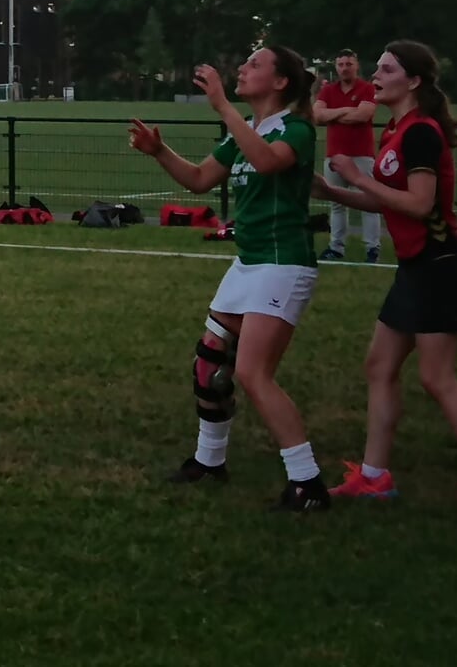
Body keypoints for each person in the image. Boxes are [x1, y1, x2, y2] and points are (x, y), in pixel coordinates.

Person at [314, 40, 457, 519]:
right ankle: (375, 476)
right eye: (376, 68)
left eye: (386, 69)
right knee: (379, 367)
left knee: (437, 378)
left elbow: (420, 205)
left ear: (414, 81)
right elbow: (388, 202)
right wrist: (331, 191)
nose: (375, 75)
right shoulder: (396, 129)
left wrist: (357, 179)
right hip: (415, 267)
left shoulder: (420, 133)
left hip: (439, 267)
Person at [129, 48, 329, 511]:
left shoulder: (295, 129)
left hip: (282, 264)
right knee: (208, 364)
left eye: (255, 64)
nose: (242, 68)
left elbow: (268, 163)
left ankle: (308, 483)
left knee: (253, 375)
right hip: (248, 263)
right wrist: (160, 151)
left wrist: (222, 106)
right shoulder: (248, 130)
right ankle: (209, 460)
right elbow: (199, 180)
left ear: (281, 83)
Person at [313, 49, 382, 262]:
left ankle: (372, 248)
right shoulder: (328, 90)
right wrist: (346, 110)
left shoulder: (367, 88)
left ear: (356, 65)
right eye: (341, 64)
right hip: (333, 155)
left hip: (361, 155)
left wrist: (332, 114)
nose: (344, 68)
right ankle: (336, 247)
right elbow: (317, 116)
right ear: (336, 67)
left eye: (348, 64)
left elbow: (363, 115)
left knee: (369, 203)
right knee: (336, 203)